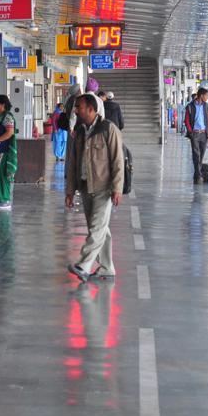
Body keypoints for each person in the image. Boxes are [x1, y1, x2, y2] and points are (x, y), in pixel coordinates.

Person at [65, 94, 124, 283]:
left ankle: (84, 264)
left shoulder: (109, 129)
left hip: (104, 188)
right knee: (99, 229)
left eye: (79, 107)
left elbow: (117, 161)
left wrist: (117, 188)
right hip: (85, 187)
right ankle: (107, 268)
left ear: (91, 109)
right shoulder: (80, 132)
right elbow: (73, 163)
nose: (76, 110)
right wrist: (70, 190)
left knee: (97, 228)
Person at [184, 87, 208, 183]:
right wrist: (190, 132)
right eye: (206, 95)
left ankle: (196, 174)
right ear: (201, 95)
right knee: (196, 154)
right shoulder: (190, 106)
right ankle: (199, 175)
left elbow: (207, 119)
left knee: (201, 155)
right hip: (195, 134)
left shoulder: (206, 106)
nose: (207, 97)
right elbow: (186, 120)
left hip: (204, 133)